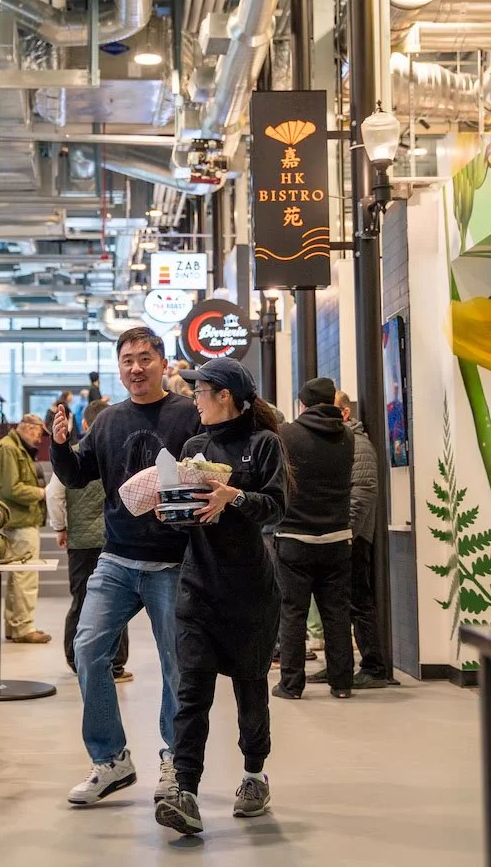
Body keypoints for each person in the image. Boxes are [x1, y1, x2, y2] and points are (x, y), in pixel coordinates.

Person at [51, 326, 198, 808]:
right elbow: (76, 475)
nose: (136, 367)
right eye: (127, 360)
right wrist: (59, 445)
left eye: (144, 358)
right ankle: (111, 760)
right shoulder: (109, 420)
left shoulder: (188, 414)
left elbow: (206, 476)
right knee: (88, 647)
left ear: (161, 362)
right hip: (115, 558)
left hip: (171, 562)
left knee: (177, 665)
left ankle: (176, 761)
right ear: (119, 367)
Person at [154, 359, 288, 837]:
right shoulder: (194, 446)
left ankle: (254, 775)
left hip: (251, 592)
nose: (195, 399)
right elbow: (185, 513)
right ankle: (185, 790)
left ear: (225, 395)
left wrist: (233, 496)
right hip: (198, 588)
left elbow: (275, 509)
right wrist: (173, 510)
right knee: (192, 692)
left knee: (249, 689)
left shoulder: (263, 445)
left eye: (201, 391)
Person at [274, 378, 355, 700]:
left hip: (295, 537)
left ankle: (291, 685)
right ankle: (342, 684)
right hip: (337, 538)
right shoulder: (347, 436)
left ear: (302, 404)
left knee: (292, 613)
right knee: (336, 613)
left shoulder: (287, 435)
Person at [46, 399, 132, 683]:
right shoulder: (118, 452)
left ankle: (75, 659)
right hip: (114, 538)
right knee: (118, 601)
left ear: (85, 424)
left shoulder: (73, 455)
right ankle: (116, 664)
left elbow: (54, 494)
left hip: (81, 541)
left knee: (82, 600)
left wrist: (60, 527)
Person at [307, 391, 385, 689]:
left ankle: (373, 667)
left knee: (358, 602)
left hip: (353, 540)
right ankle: (339, 665)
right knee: (337, 605)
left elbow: (362, 493)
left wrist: (344, 532)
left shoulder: (358, 445)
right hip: (342, 537)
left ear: (345, 413)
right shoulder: (340, 443)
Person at [0, 414, 51, 644]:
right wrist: (41, 493)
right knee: (25, 577)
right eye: (38, 432)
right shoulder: (8, 449)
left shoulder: (14, 448)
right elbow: (11, 489)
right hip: (19, 522)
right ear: (28, 428)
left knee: (21, 577)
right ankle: (22, 627)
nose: (39, 438)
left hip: (22, 521)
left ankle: (16, 625)